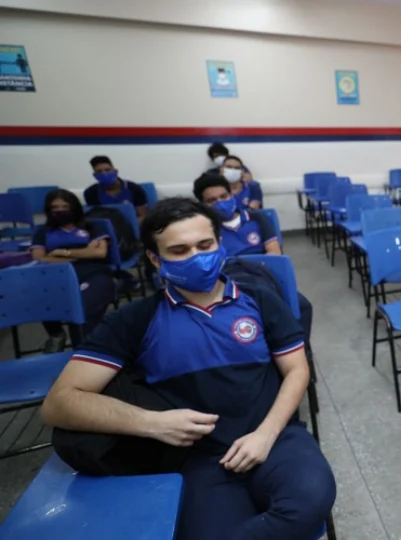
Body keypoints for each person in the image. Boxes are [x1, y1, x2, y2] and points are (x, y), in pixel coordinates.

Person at [41, 197, 336, 540]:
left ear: (219, 244)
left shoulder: (259, 299)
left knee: (309, 499)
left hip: (275, 438)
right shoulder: (135, 320)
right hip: (199, 459)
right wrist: (151, 423)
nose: (197, 257)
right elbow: (59, 403)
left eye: (205, 245)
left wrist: (266, 434)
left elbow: (297, 370)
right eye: (179, 250)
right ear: (155, 259)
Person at [193, 173, 314, 345]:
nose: (220, 202)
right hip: (226, 283)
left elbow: (274, 252)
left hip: (262, 276)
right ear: (202, 205)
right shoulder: (205, 230)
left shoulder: (256, 218)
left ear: (232, 195)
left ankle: (300, 350)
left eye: (223, 196)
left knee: (302, 306)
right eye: (212, 200)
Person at [29, 190, 117, 353]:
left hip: (93, 274)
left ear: (74, 208)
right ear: (49, 210)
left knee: (83, 307)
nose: (60, 211)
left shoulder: (91, 228)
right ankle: (56, 335)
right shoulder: (42, 232)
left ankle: (85, 348)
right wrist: (83, 253)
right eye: (55, 208)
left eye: (65, 206)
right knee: (40, 296)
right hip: (56, 277)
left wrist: (62, 253)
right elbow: (39, 259)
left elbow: (99, 253)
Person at [84, 156, 149, 221]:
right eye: (99, 172)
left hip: (134, 226)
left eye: (107, 170)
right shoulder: (91, 193)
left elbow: (142, 216)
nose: (104, 174)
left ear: (115, 171)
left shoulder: (135, 189)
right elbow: (95, 218)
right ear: (95, 176)